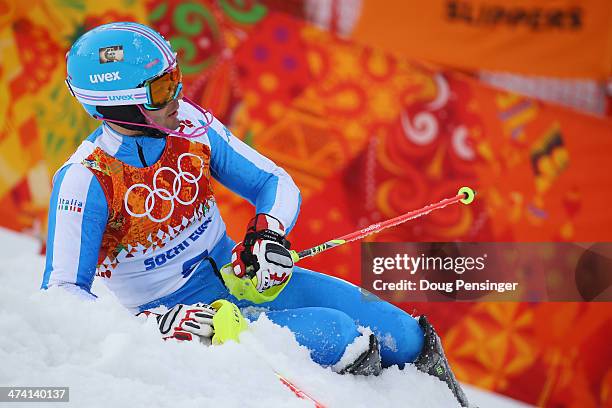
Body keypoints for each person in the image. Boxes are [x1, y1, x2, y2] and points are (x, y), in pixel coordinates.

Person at [42, 22, 469, 406]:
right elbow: (60, 298)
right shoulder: (85, 179)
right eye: (159, 90)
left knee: (407, 335)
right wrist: (156, 325)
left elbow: (273, 182)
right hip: (196, 322)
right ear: (117, 104)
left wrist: (268, 235)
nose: (176, 96)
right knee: (340, 336)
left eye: (174, 78)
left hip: (239, 279)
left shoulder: (188, 124)